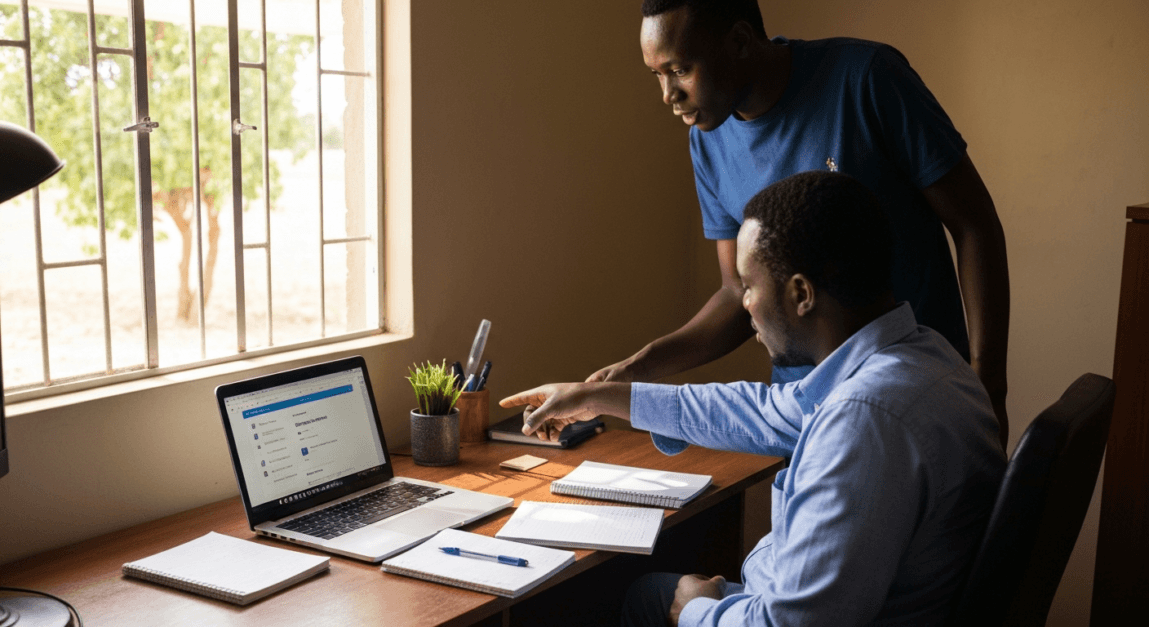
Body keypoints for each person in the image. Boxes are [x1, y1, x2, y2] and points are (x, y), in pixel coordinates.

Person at [501, 171, 1006, 626]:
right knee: (637, 590)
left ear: (801, 294)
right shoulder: (924, 358)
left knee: (618, 600)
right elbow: (758, 410)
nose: (743, 304)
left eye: (748, 286)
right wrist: (598, 397)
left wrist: (692, 609)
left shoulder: (864, 421)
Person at [588, 0, 1011, 444]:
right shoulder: (707, 142)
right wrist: (639, 368)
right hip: (801, 414)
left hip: (911, 397)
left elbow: (975, 224)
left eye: (679, 69)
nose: (668, 95)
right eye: (657, 74)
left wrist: (988, 384)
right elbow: (738, 292)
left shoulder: (866, 77)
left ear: (738, 42)